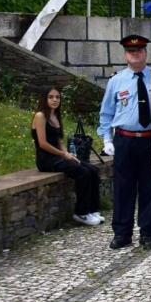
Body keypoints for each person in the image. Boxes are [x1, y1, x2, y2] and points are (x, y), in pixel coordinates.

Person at [99, 34, 151, 250]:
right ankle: (122, 233)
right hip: (125, 140)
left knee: (150, 188)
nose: (134, 54)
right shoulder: (116, 81)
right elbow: (106, 112)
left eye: (138, 51)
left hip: (150, 140)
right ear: (126, 55)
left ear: (146, 53)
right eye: (130, 51)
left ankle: (147, 233)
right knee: (123, 188)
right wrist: (107, 138)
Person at [31, 88, 103, 226]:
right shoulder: (40, 116)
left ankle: (93, 209)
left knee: (93, 169)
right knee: (83, 172)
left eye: (57, 97)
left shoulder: (56, 116)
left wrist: (68, 154)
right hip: (47, 159)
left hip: (59, 156)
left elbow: (59, 141)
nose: (54, 100)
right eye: (51, 97)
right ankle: (81, 213)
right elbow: (43, 144)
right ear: (45, 99)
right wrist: (63, 154)